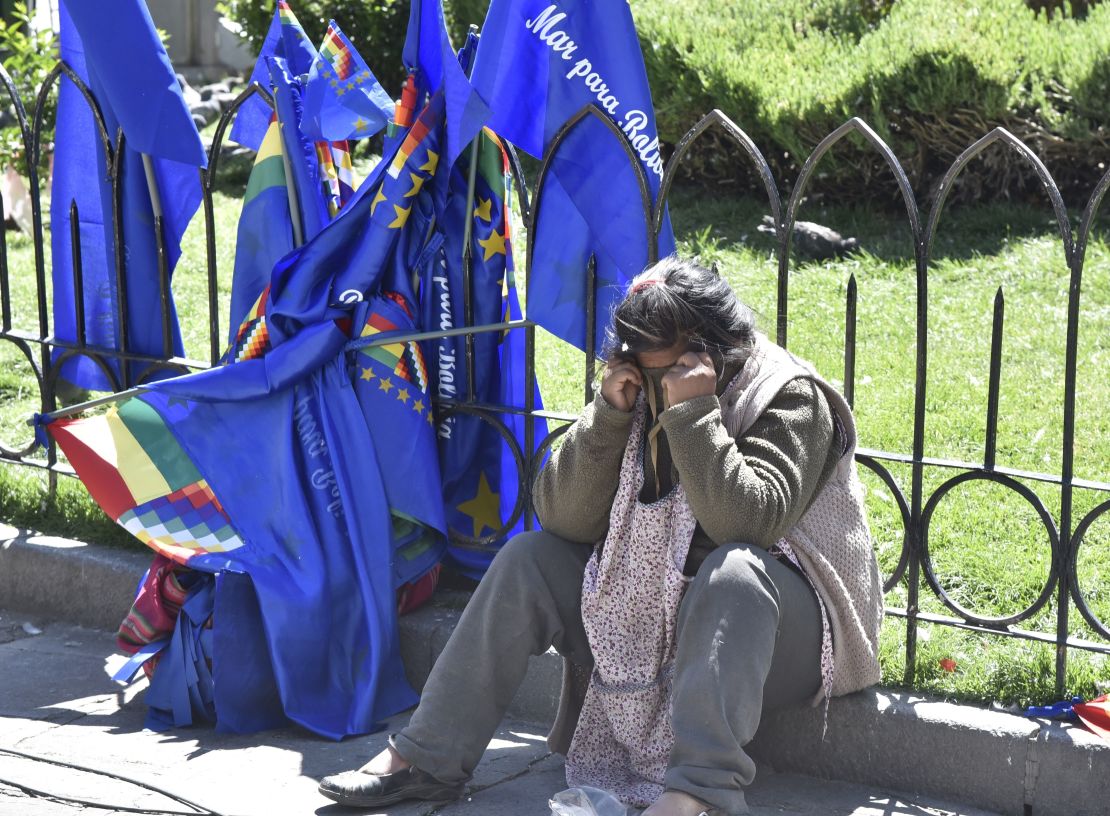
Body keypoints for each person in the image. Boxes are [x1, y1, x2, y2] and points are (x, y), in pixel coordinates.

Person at [318, 256, 883, 816]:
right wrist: (608, 419)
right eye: (645, 369)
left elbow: (748, 525)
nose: (656, 387)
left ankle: (699, 795)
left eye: (668, 372)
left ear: (716, 349)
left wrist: (694, 415)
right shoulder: (634, 385)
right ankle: (426, 759)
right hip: (651, 612)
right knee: (529, 559)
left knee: (733, 570)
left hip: (779, 633)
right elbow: (562, 519)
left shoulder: (790, 396)